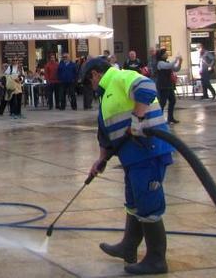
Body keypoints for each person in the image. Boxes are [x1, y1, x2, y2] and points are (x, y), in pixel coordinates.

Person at [83, 57, 174, 275]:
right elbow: (105, 133)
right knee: (134, 201)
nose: (90, 86)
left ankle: (156, 259)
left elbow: (147, 86)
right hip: (132, 158)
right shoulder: (105, 96)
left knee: (148, 203)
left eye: (88, 81)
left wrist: (137, 117)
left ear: (95, 74)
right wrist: (101, 159)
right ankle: (129, 246)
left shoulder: (121, 76)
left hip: (148, 151)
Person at [154, 49, 182, 124]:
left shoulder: (167, 62)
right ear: (161, 55)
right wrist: (176, 59)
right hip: (163, 85)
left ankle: (170, 118)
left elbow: (176, 69)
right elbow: (168, 66)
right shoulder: (160, 63)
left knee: (172, 101)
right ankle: (158, 119)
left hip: (169, 85)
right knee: (162, 103)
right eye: (165, 53)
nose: (167, 54)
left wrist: (180, 62)